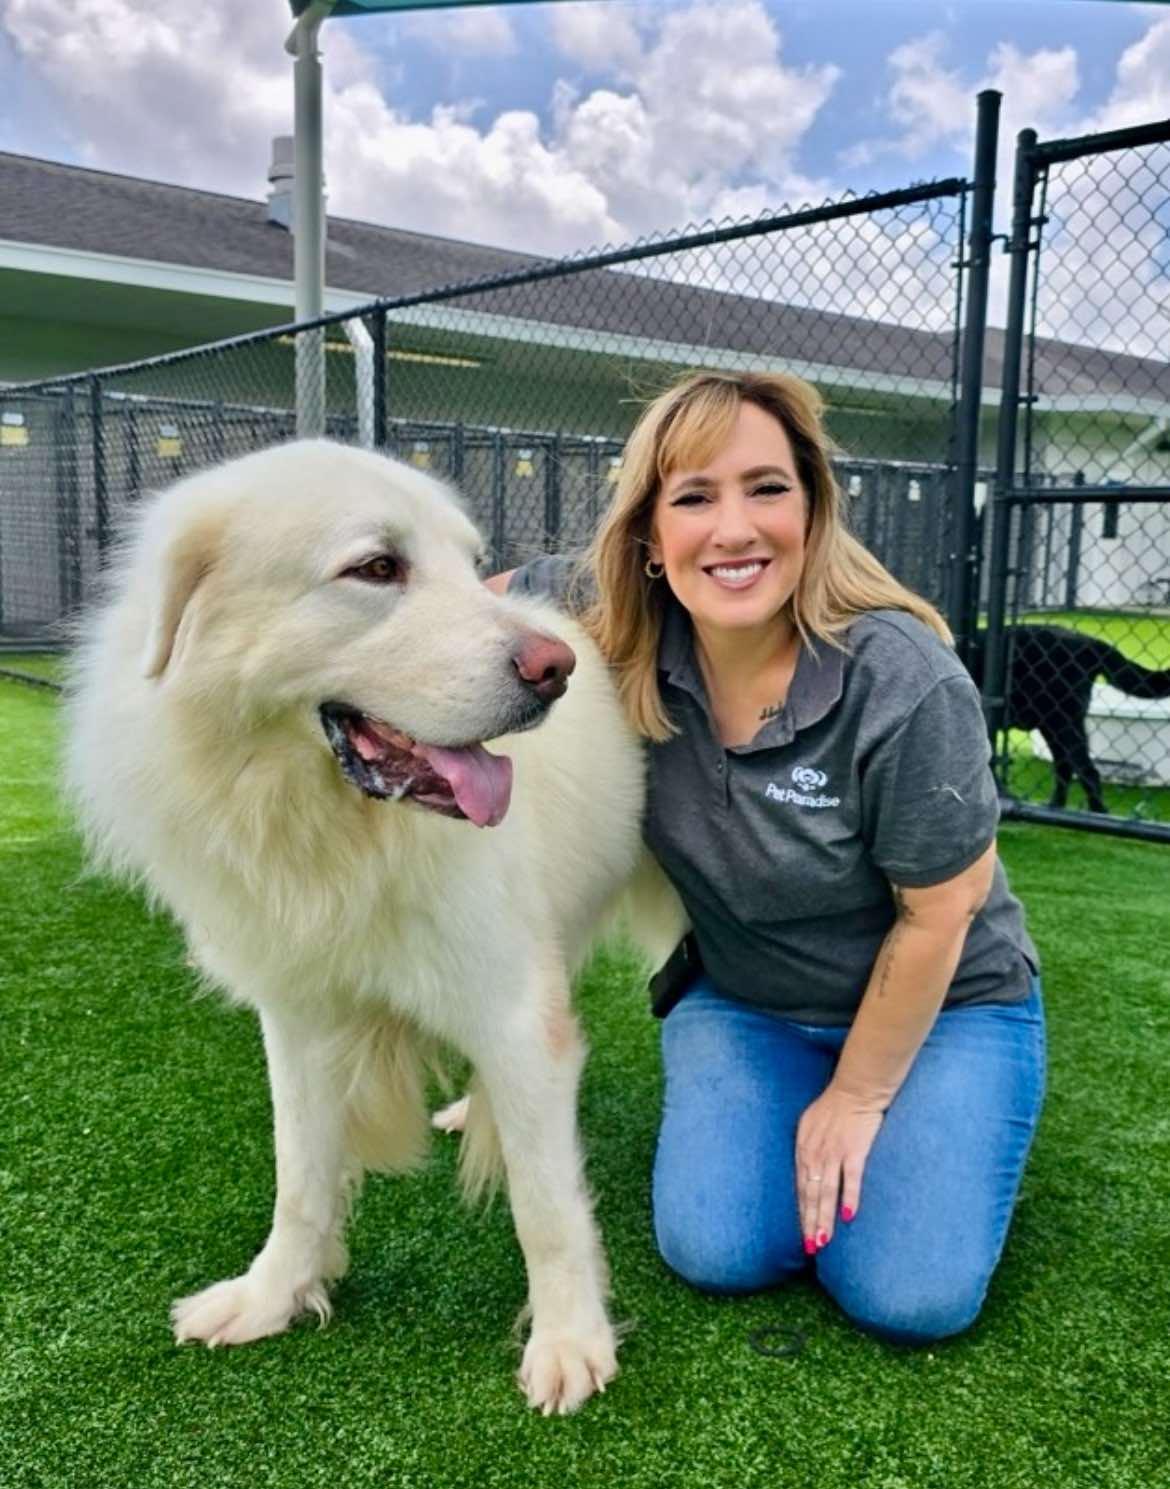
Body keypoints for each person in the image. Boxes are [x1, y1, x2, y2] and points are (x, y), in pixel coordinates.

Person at [491, 369, 1045, 1345]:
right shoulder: (615, 628)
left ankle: (936, 1118)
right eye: (694, 497)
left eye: (767, 488)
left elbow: (940, 912)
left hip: (951, 1001)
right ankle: (803, 1120)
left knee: (907, 1295)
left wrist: (860, 1097)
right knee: (718, 1248)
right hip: (748, 1000)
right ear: (651, 538)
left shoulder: (903, 679)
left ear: (813, 508)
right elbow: (468, 599)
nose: (734, 529)